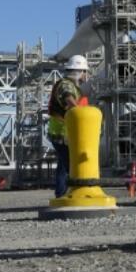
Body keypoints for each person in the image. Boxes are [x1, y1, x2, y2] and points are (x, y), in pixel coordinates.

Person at [46, 54, 89, 198]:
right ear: (79, 71)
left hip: (64, 133)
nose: (86, 75)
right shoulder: (66, 85)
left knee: (63, 165)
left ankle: (61, 193)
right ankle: (64, 194)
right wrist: (80, 113)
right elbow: (68, 98)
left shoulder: (74, 87)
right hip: (60, 133)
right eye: (85, 71)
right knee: (68, 165)